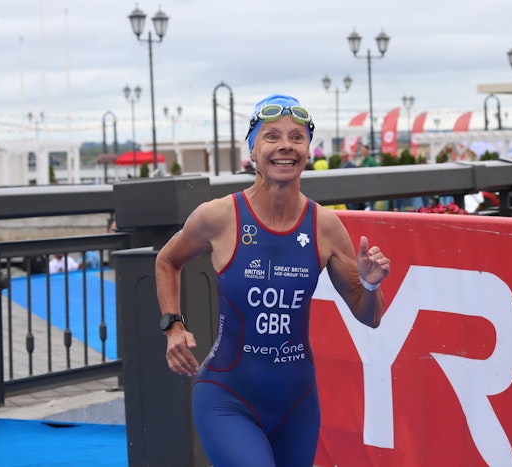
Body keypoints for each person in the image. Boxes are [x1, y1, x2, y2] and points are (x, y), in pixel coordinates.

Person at [155, 94, 390, 467]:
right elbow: (167, 260)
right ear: (252, 150)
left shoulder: (325, 226)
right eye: (272, 136)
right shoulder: (219, 216)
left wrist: (371, 284)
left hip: (298, 406)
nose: (286, 146)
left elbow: (370, 316)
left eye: (297, 137)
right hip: (227, 399)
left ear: (307, 151)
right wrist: (173, 326)